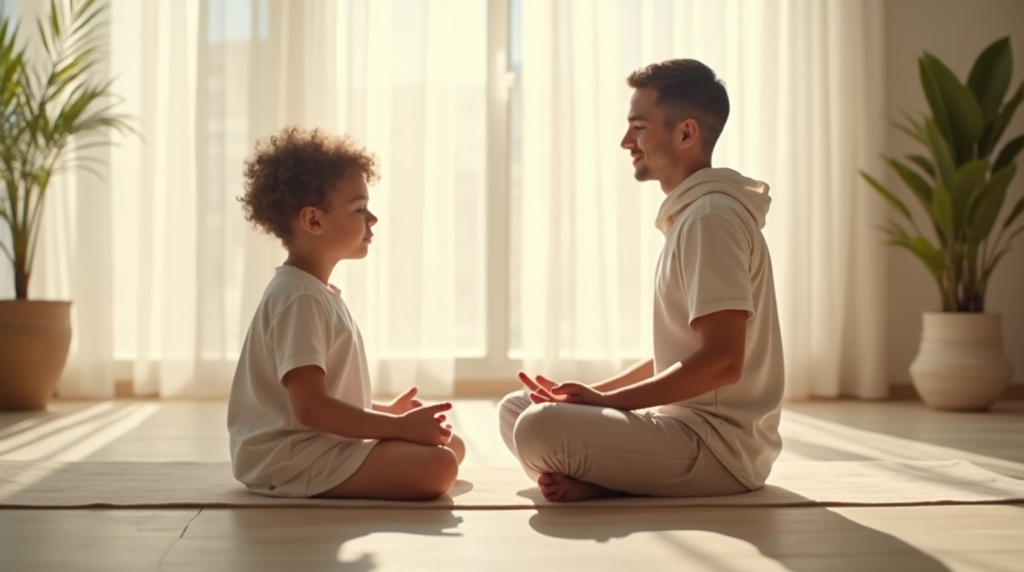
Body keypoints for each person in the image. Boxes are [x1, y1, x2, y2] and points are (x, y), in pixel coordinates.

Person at [498, 59, 784, 502]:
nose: (625, 141)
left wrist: (607, 404)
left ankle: (608, 481)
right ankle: (603, 479)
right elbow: (680, 357)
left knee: (538, 427)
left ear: (685, 133)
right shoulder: (694, 215)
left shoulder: (710, 219)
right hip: (678, 427)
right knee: (519, 408)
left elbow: (723, 362)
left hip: (718, 450)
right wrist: (591, 395)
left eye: (639, 127)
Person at [228, 127, 463, 500]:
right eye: (359, 209)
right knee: (440, 465)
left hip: (316, 442)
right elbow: (310, 408)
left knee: (451, 445)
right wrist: (398, 427)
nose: (373, 219)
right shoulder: (299, 298)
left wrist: (387, 412)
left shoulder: (314, 291)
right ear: (313, 221)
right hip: (287, 457)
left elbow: (324, 395)